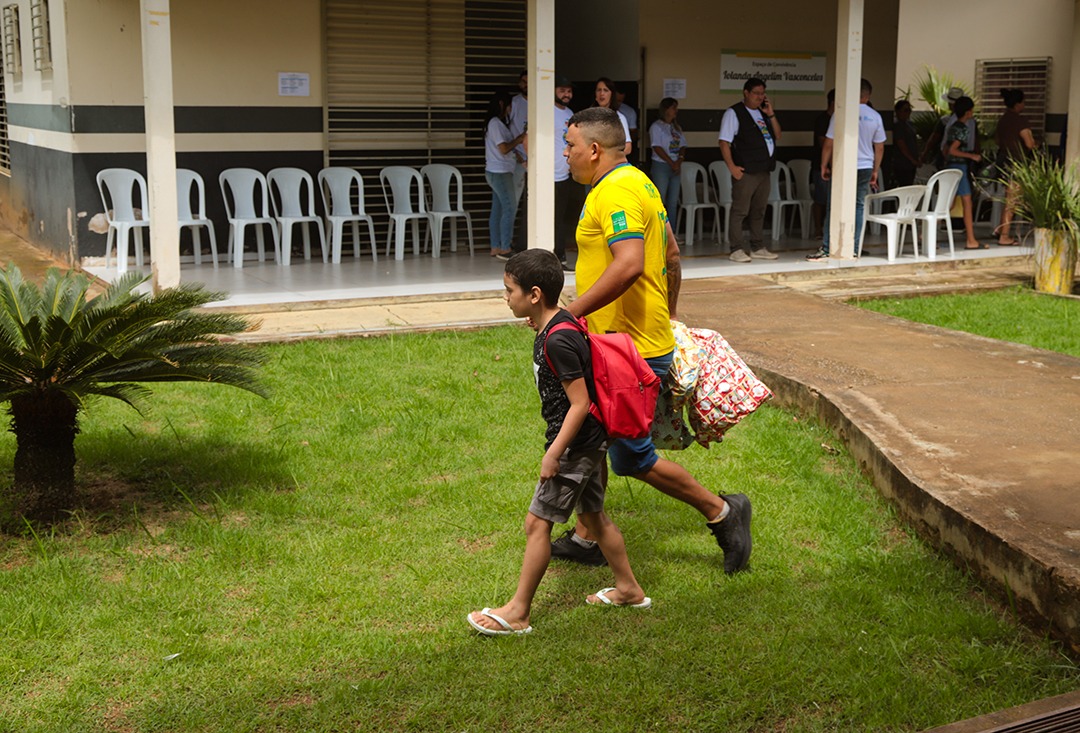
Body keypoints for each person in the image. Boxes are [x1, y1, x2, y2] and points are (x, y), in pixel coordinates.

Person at [553, 106, 752, 575]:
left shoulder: (616, 191)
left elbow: (629, 264)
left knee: (630, 457)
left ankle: (723, 511)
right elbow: (673, 253)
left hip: (627, 351)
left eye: (570, 145)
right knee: (591, 439)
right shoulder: (639, 182)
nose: (565, 154)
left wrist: (566, 315)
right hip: (628, 342)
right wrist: (671, 312)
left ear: (594, 149)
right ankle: (587, 536)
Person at [467, 249, 649, 636]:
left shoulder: (558, 340)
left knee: (537, 523)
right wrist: (539, 320)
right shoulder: (557, 322)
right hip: (589, 442)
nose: (505, 297)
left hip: (575, 446)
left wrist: (554, 454)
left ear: (534, 294)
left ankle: (518, 612)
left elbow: (580, 404)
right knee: (594, 517)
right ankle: (629, 589)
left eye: (510, 290)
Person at [807, 78, 885, 261]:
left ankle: (828, 248)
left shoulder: (841, 113)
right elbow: (880, 147)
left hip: (843, 166)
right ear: (868, 95)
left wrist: (824, 165)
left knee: (834, 206)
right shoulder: (875, 116)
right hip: (865, 166)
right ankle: (853, 248)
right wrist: (875, 170)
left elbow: (828, 143)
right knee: (858, 207)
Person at [718, 77, 781, 262]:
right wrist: (732, 167)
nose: (760, 97)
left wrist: (771, 114)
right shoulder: (734, 113)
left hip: (764, 170)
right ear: (746, 93)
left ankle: (757, 246)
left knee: (759, 210)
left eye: (762, 93)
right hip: (746, 171)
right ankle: (736, 248)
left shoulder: (763, 114)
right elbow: (724, 142)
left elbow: (777, 135)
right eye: (756, 93)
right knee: (740, 210)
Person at [484, 91, 526, 260]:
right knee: (509, 208)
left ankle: (495, 246)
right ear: (502, 104)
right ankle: (505, 247)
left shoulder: (496, 123)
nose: (510, 110)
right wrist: (520, 138)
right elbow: (503, 148)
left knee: (498, 209)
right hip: (500, 172)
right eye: (509, 106)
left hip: (498, 171)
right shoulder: (495, 123)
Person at [994, 88, 1037, 246]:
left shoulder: (1003, 120)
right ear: (1018, 103)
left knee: (1008, 199)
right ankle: (1004, 236)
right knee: (1012, 201)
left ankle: (1000, 230)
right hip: (1017, 163)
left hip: (1004, 162)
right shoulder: (1020, 121)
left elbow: (997, 141)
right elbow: (1029, 144)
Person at [944, 96, 986, 250]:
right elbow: (952, 149)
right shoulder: (963, 128)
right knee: (967, 202)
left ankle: (925, 233)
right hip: (959, 167)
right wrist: (971, 156)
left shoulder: (952, 126)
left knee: (949, 204)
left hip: (951, 166)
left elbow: (946, 148)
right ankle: (971, 239)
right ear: (968, 112)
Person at [554, 76, 584, 270]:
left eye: (569, 91)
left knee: (563, 217)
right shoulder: (546, 110)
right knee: (553, 218)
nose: (567, 94)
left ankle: (560, 257)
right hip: (549, 175)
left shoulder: (570, 113)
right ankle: (556, 258)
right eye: (562, 90)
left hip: (565, 174)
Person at [648, 97, 686, 223]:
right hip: (661, 165)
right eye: (673, 108)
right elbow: (656, 146)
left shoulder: (676, 127)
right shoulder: (656, 127)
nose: (676, 111)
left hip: (676, 166)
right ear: (666, 109)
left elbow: (683, 145)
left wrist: (679, 161)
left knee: (673, 201)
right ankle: (659, 229)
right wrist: (671, 163)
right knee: (660, 200)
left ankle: (672, 230)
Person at [509, 70, 529, 253]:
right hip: (518, 160)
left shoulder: (542, 102)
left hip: (536, 162)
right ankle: (508, 244)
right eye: (524, 81)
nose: (526, 85)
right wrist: (516, 154)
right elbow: (508, 131)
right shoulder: (515, 103)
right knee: (513, 202)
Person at [811, 89, 835, 238]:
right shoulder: (822, 120)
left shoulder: (839, 119)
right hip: (821, 165)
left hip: (836, 166)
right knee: (821, 199)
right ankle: (818, 228)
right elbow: (823, 143)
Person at [593, 77, 633, 155]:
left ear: (612, 94)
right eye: (599, 90)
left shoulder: (619, 118)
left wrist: (608, 157)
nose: (602, 93)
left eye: (605, 90)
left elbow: (627, 148)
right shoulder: (588, 116)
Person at [892, 99, 920, 187]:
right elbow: (901, 144)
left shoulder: (910, 124)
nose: (908, 113)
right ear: (898, 111)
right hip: (902, 163)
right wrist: (912, 160)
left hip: (911, 163)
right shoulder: (897, 125)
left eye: (909, 110)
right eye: (905, 110)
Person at [616, 88, 639, 158]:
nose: (618, 103)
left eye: (620, 101)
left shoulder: (624, 115)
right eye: (616, 100)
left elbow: (633, 134)